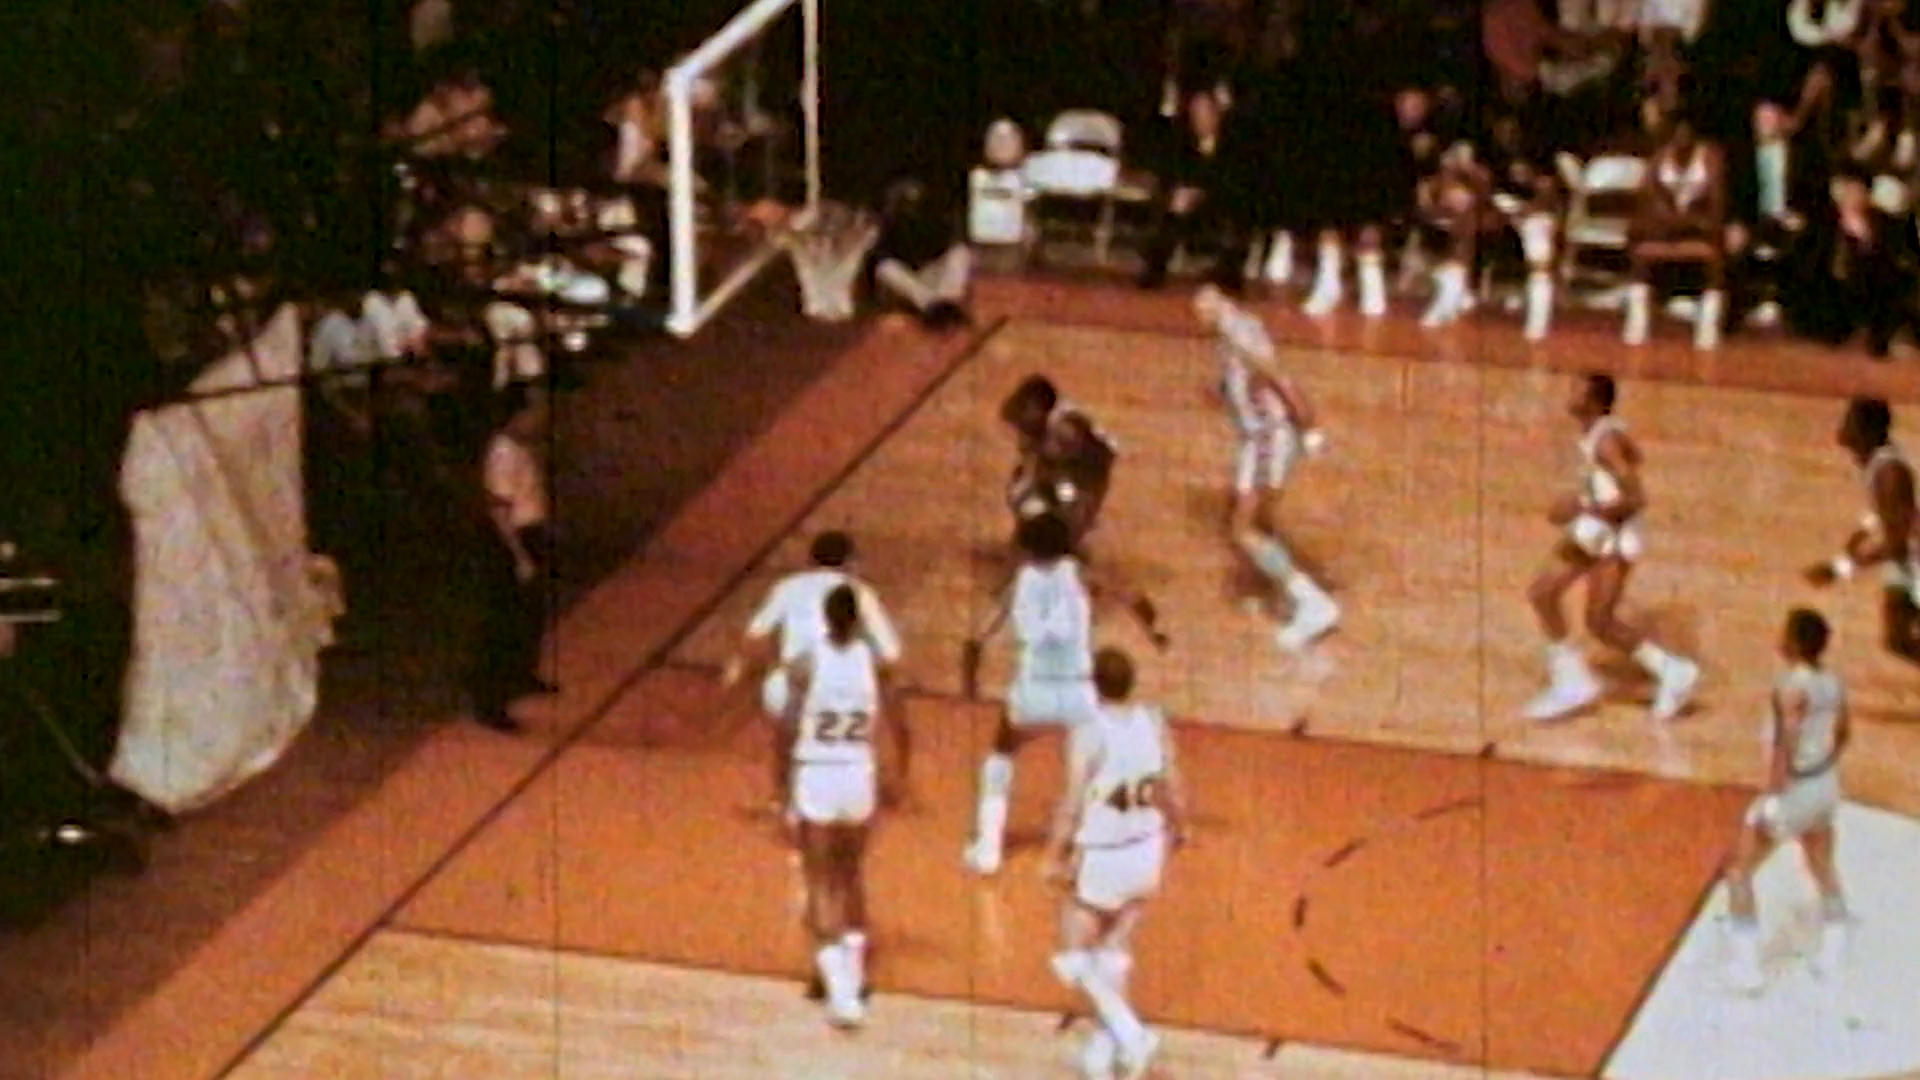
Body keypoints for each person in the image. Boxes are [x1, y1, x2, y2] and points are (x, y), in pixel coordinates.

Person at [961, 513, 1167, 876]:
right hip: (1079, 693)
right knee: (1089, 769)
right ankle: (1084, 849)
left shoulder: (1017, 583)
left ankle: (989, 848)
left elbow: (977, 638)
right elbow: (1132, 596)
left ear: (1027, 547)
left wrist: (969, 683)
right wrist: (1154, 629)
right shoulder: (1082, 575)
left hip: (1033, 689)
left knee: (1001, 753)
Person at [1522, 374, 1700, 722]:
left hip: (1612, 537)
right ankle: (1666, 671)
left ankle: (1580, 681)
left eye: (1576, 389)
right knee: (1576, 610)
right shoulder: (1603, 434)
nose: (1568, 393)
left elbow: (1636, 498)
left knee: (1571, 607)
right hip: (1601, 531)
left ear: (1593, 400)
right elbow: (1632, 459)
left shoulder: (1606, 441)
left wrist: (1581, 506)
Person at [1043, 647, 1185, 1080]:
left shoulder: (1089, 732)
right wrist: (1181, 828)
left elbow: (1072, 801)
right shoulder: (1154, 721)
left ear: (1094, 685)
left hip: (1105, 853)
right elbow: (1173, 783)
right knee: (1114, 948)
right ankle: (1106, 1052)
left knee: (1073, 955)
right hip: (1147, 847)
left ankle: (1130, 1033)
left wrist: (1053, 853)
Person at [1193, 286, 1339, 651]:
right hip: (1259, 437)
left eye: (1202, 308)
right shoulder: (1234, 331)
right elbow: (1245, 381)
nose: (1197, 316)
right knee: (1258, 521)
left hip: (1267, 437)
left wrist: (1309, 425)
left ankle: (1313, 603)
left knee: (1244, 527)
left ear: (1218, 302)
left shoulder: (1238, 334)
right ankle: (1277, 588)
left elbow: (1278, 377)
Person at [782, 584, 902, 1027]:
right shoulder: (875, 662)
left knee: (820, 881)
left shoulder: (806, 662)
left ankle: (838, 988)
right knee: (851, 876)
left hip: (817, 773)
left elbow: (787, 727)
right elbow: (898, 722)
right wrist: (900, 772)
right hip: (857, 774)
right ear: (859, 620)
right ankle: (849, 974)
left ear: (825, 618)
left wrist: (779, 782)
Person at [723, 532, 906, 809]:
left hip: (785, 689)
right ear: (850, 561)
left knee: (789, 727)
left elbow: (754, 636)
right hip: (842, 698)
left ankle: (782, 795)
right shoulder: (860, 592)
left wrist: (737, 666)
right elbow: (892, 654)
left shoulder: (787, 587)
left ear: (810, 560)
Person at [1721, 608, 1851, 993]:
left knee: (1739, 872)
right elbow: (1844, 733)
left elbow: (1785, 744)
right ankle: (1836, 948)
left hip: (1793, 792)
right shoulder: (1834, 683)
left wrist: (1774, 795)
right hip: (1825, 785)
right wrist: (1822, 768)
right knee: (1822, 866)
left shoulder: (1790, 687)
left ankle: (1747, 969)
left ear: (1793, 642)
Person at [1806, 398, 1920, 664]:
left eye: (1851, 421)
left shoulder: (1890, 474)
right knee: (1896, 638)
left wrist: (1839, 569)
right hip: (1908, 559)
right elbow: (1884, 510)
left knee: (1898, 638)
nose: (1844, 426)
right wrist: (1860, 534)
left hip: (1913, 557)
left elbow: (1897, 544)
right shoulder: (1877, 463)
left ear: (1868, 432)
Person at [470, 396, 557, 733]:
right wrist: (520, 556)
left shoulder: (523, 448)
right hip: (511, 540)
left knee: (530, 611)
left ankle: (522, 673)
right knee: (503, 619)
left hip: (530, 532)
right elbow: (499, 510)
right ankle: (490, 699)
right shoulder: (503, 454)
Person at [1001, 376, 1117, 552]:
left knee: (1061, 499)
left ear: (1038, 408)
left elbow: (1059, 467)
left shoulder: (1065, 429)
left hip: (1084, 478)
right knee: (1021, 491)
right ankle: (1039, 533)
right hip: (1065, 474)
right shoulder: (1042, 425)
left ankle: (1065, 532)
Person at [871, 178, 973, 329]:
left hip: (930, 278)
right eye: (904, 203)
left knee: (960, 252)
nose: (909, 209)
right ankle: (932, 307)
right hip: (906, 284)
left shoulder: (935, 222)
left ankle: (948, 304)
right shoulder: (883, 227)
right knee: (885, 269)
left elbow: (946, 250)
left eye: (913, 203)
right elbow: (880, 263)